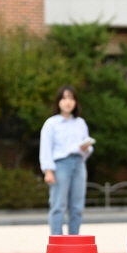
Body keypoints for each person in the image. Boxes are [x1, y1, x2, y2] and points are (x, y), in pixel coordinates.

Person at [39, 85, 93, 235]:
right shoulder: (51, 123)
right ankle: (57, 241)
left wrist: (86, 148)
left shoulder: (80, 123)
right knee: (58, 205)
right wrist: (48, 171)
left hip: (79, 164)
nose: (68, 102)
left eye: (71, 98)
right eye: (64, 98)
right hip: (60, 165)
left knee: (77, 206)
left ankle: (74, 241)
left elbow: (87, 148)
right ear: (58, 102)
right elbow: (46, 148)